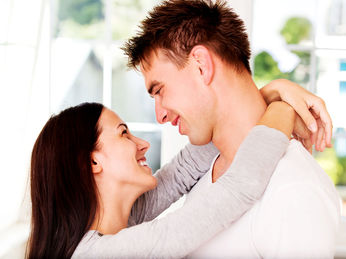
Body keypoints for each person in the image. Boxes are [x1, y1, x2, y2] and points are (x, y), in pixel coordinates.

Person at [123, 0, 341, 257]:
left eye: (160, 90)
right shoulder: (208, 169)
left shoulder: (293, 189)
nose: (160, 115)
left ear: (201, 65)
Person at [27, 101, 294, 259]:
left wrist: (264, 95)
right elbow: (239, 187)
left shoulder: (120, 227)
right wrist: (284, 108)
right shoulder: (101, 254)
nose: (143, 144)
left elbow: (185, 168)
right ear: (92, 162)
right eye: (124, 134)